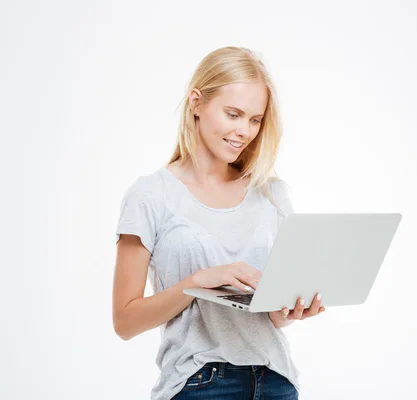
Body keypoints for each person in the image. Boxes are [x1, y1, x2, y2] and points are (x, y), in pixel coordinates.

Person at [112, 46, 325, 400]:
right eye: (233, 114)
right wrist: (198, 282)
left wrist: (291, 309)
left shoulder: (272, 193)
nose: (244, 131)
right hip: (199, 383)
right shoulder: (150, 195)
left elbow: (273, 316)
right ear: (196, 103)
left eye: (255, 119)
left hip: (275, 380)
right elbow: (125, 322)